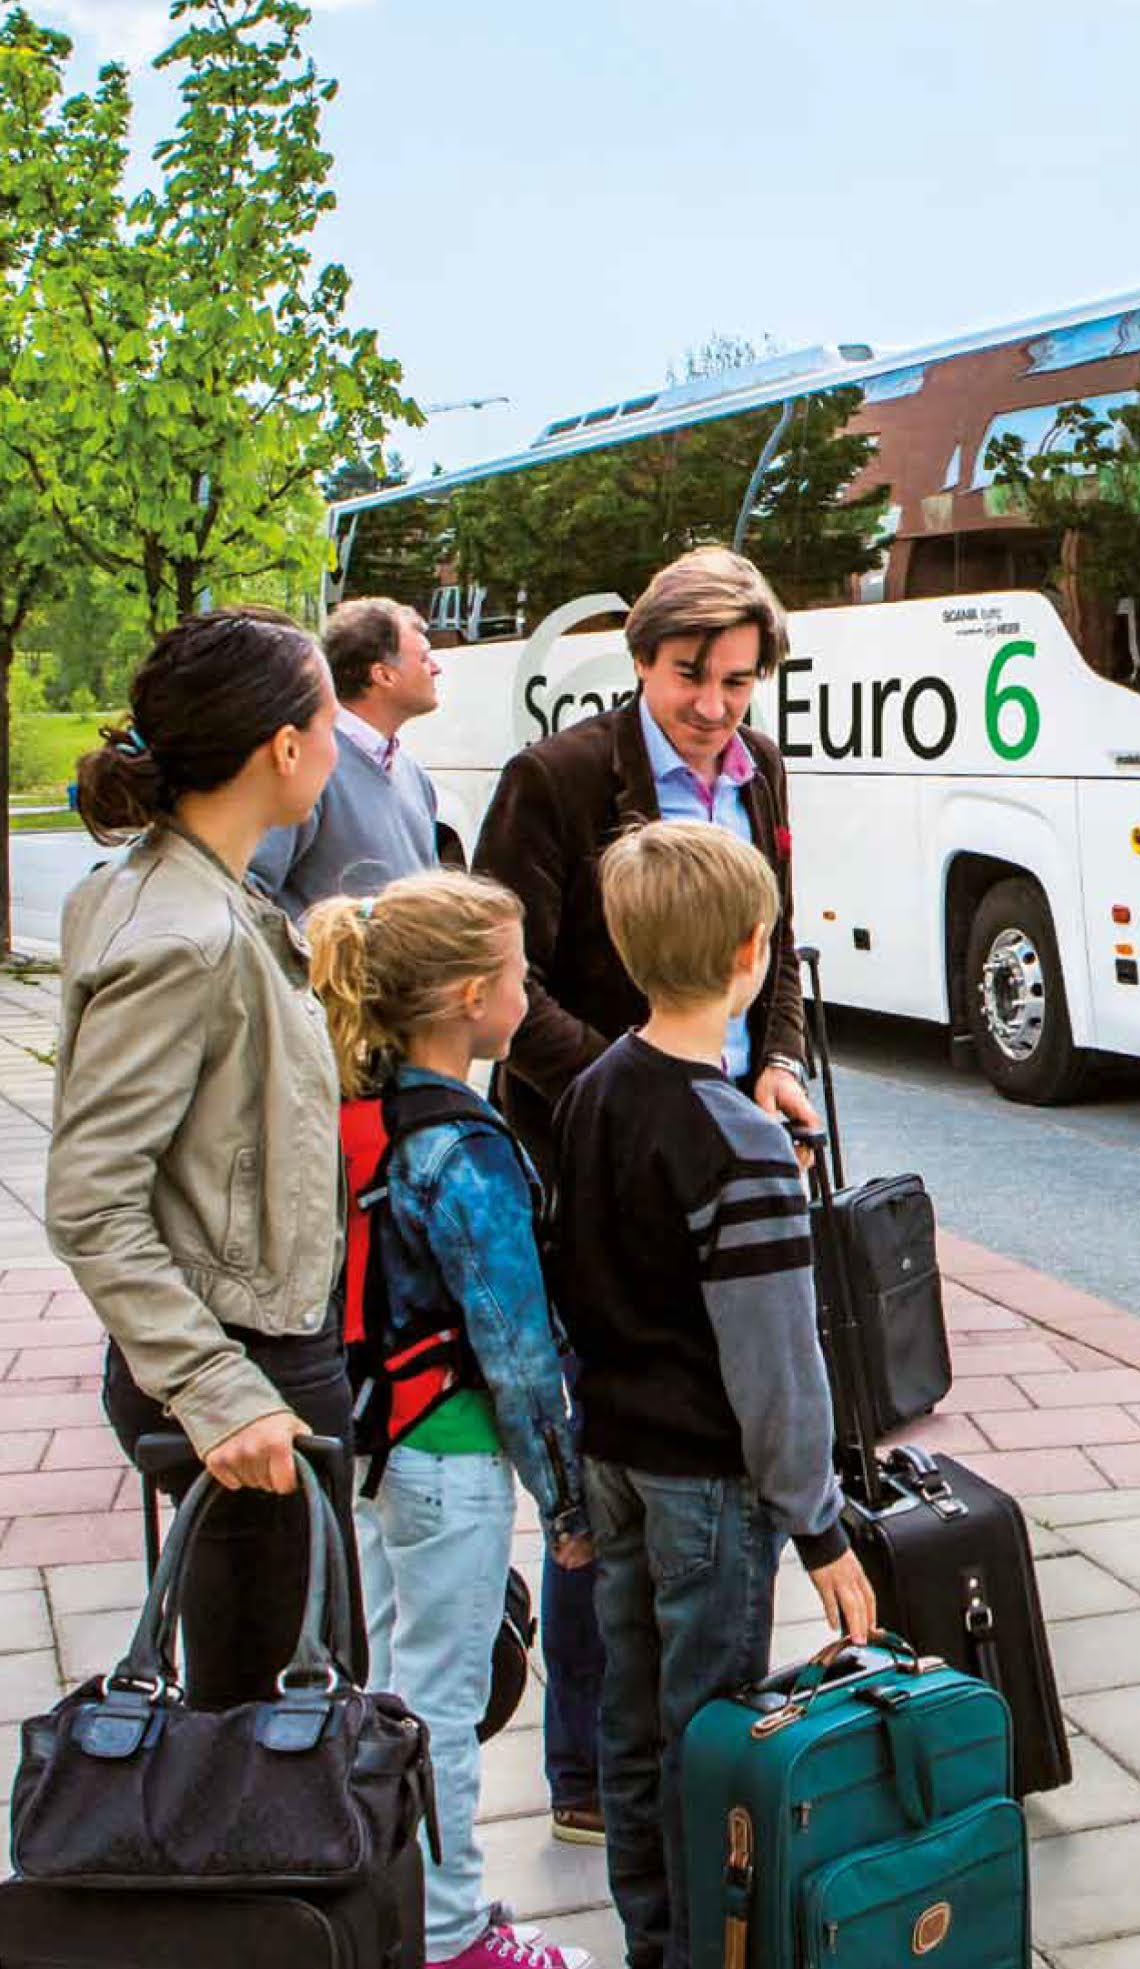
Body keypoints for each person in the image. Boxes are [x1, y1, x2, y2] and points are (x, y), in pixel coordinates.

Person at [473, 545, 819, 1843]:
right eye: (690, 676)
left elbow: (777, 943)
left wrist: (775, 1063)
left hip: (725, 1149)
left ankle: (667, 1767)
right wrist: (638, 1096)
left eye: (738, 680)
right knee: (606, 1451)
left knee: (708, 1439)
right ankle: (583, 1769)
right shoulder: (559, 779)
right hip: (597, 1160)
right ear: (638, 661)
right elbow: (507, 987)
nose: (715, 706)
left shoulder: (760, 769)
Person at [552, 820, 874, 1969]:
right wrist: (820, 1527)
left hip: (613, 1455)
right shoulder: (737, 1141)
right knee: (707, 1740)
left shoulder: (593, 1091)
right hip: (707, 1484)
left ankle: (652, 1940)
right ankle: (704, 1950)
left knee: (632, 1724)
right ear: (751, 951)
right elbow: (774, 1363)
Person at [48, 608, 354, 1709]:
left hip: (251, 1348)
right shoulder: (188, 934)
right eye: (331, 722)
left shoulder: (184, 890)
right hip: (244, 1367)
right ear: (284, 746)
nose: (339, 746)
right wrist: (219, 1391)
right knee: (272, 1734)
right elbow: (90, 1202)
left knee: (285, 1710)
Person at [305, 871, 596, 1969]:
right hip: (452, 1453)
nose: (529, 992)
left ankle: (390, 1909)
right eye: (520, 974)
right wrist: (563, 1500)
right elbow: (515, 1350)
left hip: (370, 1445)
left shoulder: (355, 1113)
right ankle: (454, 1932)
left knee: (385, 1693)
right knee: (444, 1708)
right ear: (474, 997)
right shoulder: (465, 1148)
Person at [251, 597, 444, 915]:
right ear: (383, 675)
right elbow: (251, 890)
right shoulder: (306, 768)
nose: (436, 668)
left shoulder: (414, 776)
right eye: (424, 658)